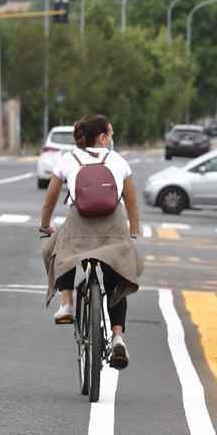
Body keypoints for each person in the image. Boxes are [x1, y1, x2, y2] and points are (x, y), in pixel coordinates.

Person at [39, 114, 144, 370]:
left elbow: (50, 199)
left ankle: (66, 303)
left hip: (79, 224)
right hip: (113, 226)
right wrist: (133, 230)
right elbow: (131, 201)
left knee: (58, 249)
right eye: (111, 134)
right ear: (102, 137)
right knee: (116, 276)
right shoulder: (117, 160)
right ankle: (118, 336)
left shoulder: (69, 159)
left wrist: (45, 225)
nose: (112, 139)